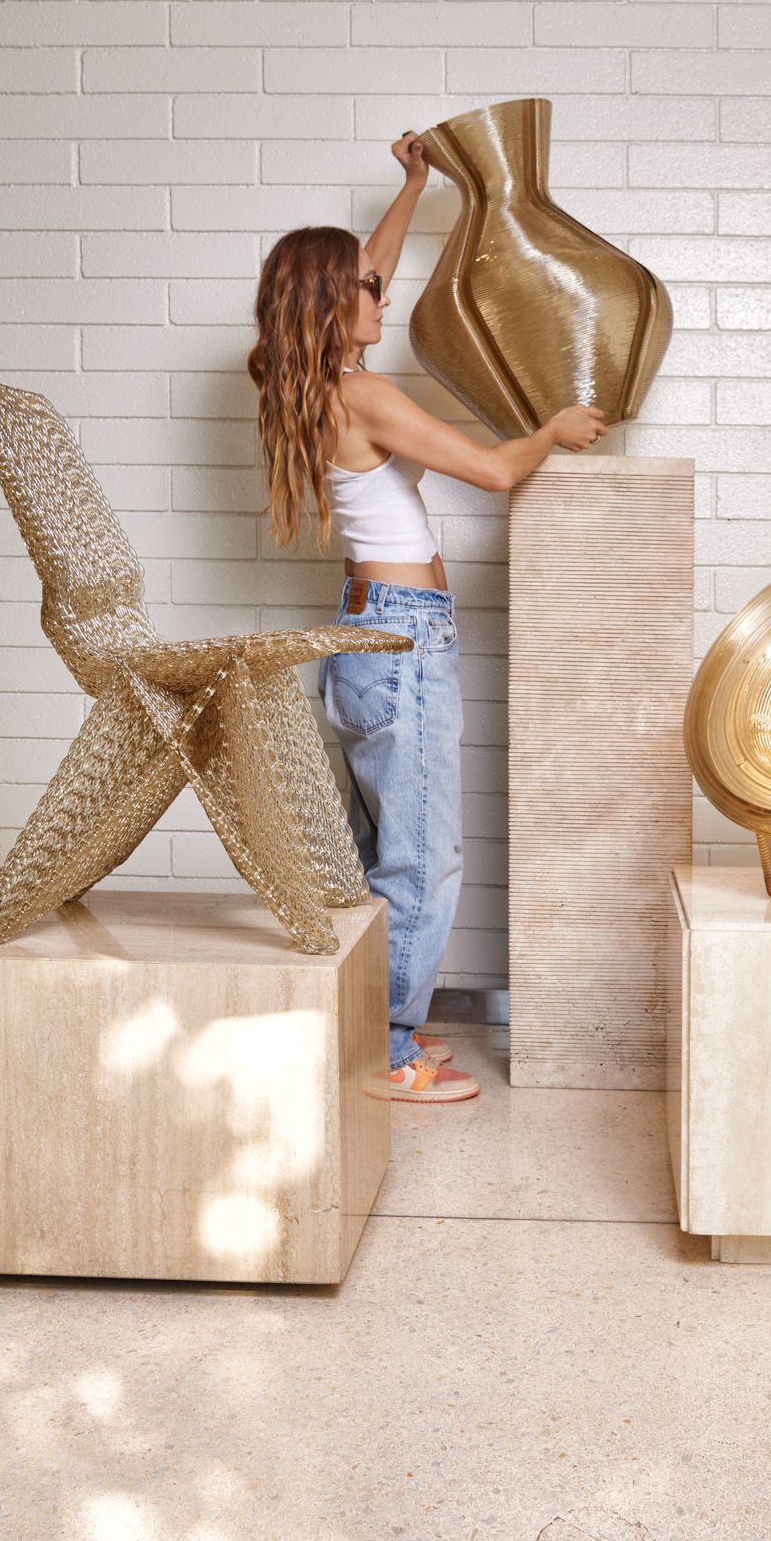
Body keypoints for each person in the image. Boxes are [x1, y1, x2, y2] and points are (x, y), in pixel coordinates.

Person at [247, 131, 606, 1104]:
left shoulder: (312, 384)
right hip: (403, 643)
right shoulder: (360, 391)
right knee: (421, 860)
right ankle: (392, 1056)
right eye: (367, 289)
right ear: (334, 306)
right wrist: (551, 433)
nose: (386, 293)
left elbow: (370, 264)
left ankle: (375, 1034)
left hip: (377, 636)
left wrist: (414, 184)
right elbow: (492, 472)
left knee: (384, 857)